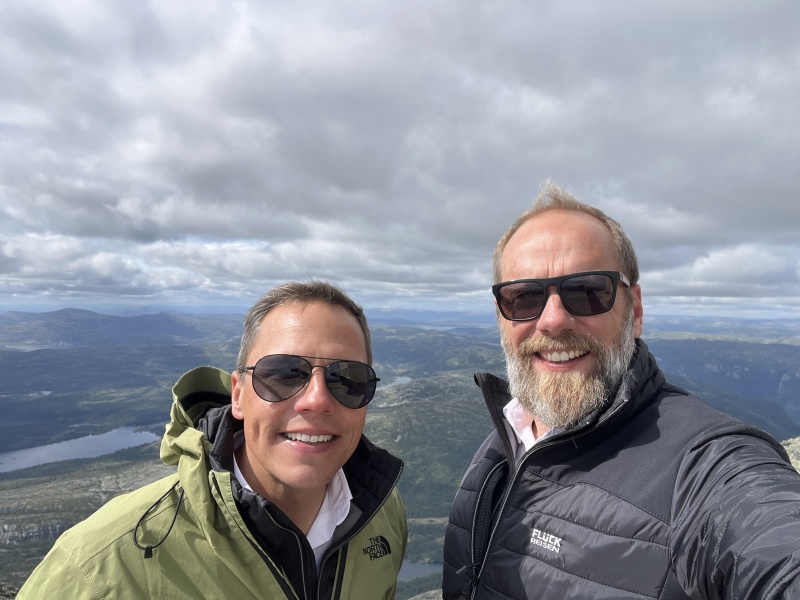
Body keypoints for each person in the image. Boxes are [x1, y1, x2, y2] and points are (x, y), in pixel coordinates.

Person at [442, 183, 800, 599]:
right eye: (523, 298)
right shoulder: (503, 440)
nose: (553, 320)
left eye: (587, 291)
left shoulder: (703, 469)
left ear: (636, 311)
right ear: (502, 318)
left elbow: (769, 539)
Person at [19, 280, 407, 599]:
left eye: (347, 378)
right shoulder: (98, 567)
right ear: (238, 394)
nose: (317, 399)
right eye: (285, 373)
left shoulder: (381, 516)